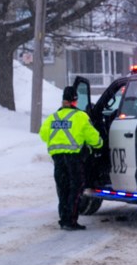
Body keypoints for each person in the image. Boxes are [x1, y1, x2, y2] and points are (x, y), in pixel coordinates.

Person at [39, 86, 103, 231]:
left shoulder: (53, 117)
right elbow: (93, 138)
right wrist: (100, 144)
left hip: (58, 159)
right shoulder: (81, 117)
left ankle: (64, 218)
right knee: (76, 187)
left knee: (63, 189)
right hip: (74, 158)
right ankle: (71, 220)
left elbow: (43, 135)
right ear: (75, 100)